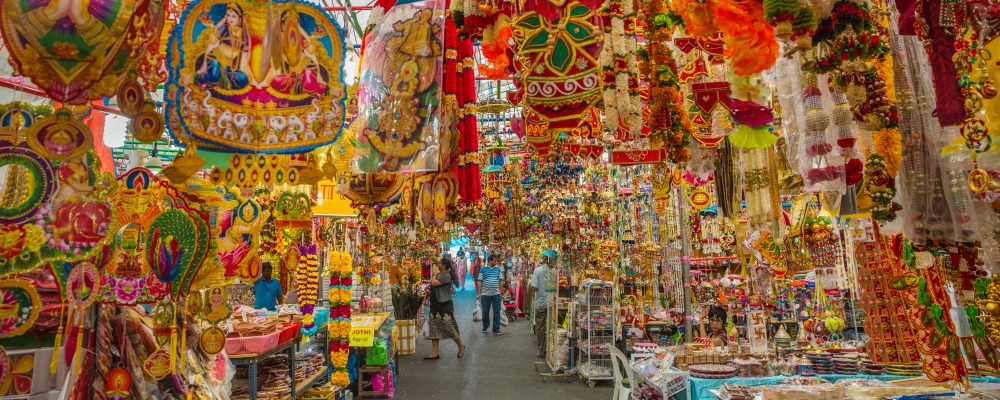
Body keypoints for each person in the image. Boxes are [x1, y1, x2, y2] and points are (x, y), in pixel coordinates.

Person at [196, 3, 254, 91]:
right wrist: (211, 28)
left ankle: (219, 81)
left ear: (240, 18)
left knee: (243, 79)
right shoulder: (225, 28)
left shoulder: (244, 34)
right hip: (216, 57)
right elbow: (214, 41)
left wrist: (250, 76)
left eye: (233, 16)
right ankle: (198, 77)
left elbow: (244, 59)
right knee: (214, 76)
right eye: (228, 15)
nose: (230, 19)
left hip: (230, 65)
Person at [424, 257, 466, 359]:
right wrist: (426, 298)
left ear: (444, 266)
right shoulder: (439, 275)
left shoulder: (446, 276)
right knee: (434, 328)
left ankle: (461, 347)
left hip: (444, 304)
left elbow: (434, 283)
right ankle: (435, 352)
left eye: (439, 263)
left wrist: (433, 276)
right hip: (435, 304)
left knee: (449, 326)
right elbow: (431, 287)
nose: (437, 264)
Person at [530, 251, 555, 358]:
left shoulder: (538, 270)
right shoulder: (555, 272)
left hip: (540, 303)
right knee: (551, 327)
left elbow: (534, 287)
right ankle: (551, 351)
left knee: (540, 328)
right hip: (551, 303)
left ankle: (541, 351)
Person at [478, 254, 506, 335]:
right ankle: (485, 326)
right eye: (494, 260)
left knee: (497, 311)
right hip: (485, 294)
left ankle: (496, 329)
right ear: (489, 261)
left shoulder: (498, 269)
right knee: (485, 311)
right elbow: (479, 282)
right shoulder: (483, 269)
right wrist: (479, 293)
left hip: (496, 294)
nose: (496, 262)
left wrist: (501, 292)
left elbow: (501, 281)